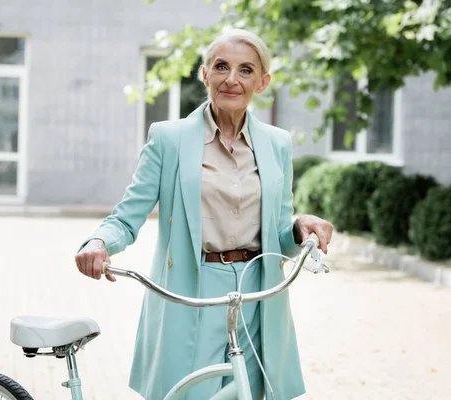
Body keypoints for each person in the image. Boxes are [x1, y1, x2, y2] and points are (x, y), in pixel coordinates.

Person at [75, 28, 334, 400]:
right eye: (221, 67)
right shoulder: (169, 139)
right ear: (204, 74)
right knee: (192, 393)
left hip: (257, 292)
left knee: (250, 392)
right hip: (192, 289)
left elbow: (278, 233)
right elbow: (127, 216)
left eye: (246, 70)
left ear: (262, 82)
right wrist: (99, 242)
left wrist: (298, 228)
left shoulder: (277, 143)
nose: (232, 79)